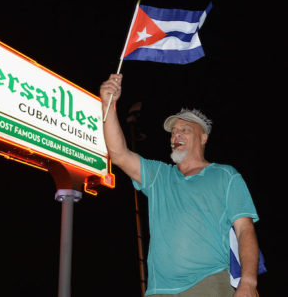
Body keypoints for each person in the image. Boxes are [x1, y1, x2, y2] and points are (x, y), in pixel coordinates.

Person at [100, 74, 260, 297]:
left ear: (203, 138)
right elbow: (118, 154)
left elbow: (244, 229)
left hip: (209, 282)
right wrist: (108, 104)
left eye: (184, 129)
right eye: (174, 132)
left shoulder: (225, 175)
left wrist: (249, 282)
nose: (176, 134)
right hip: (159, 290)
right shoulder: (159, 175)